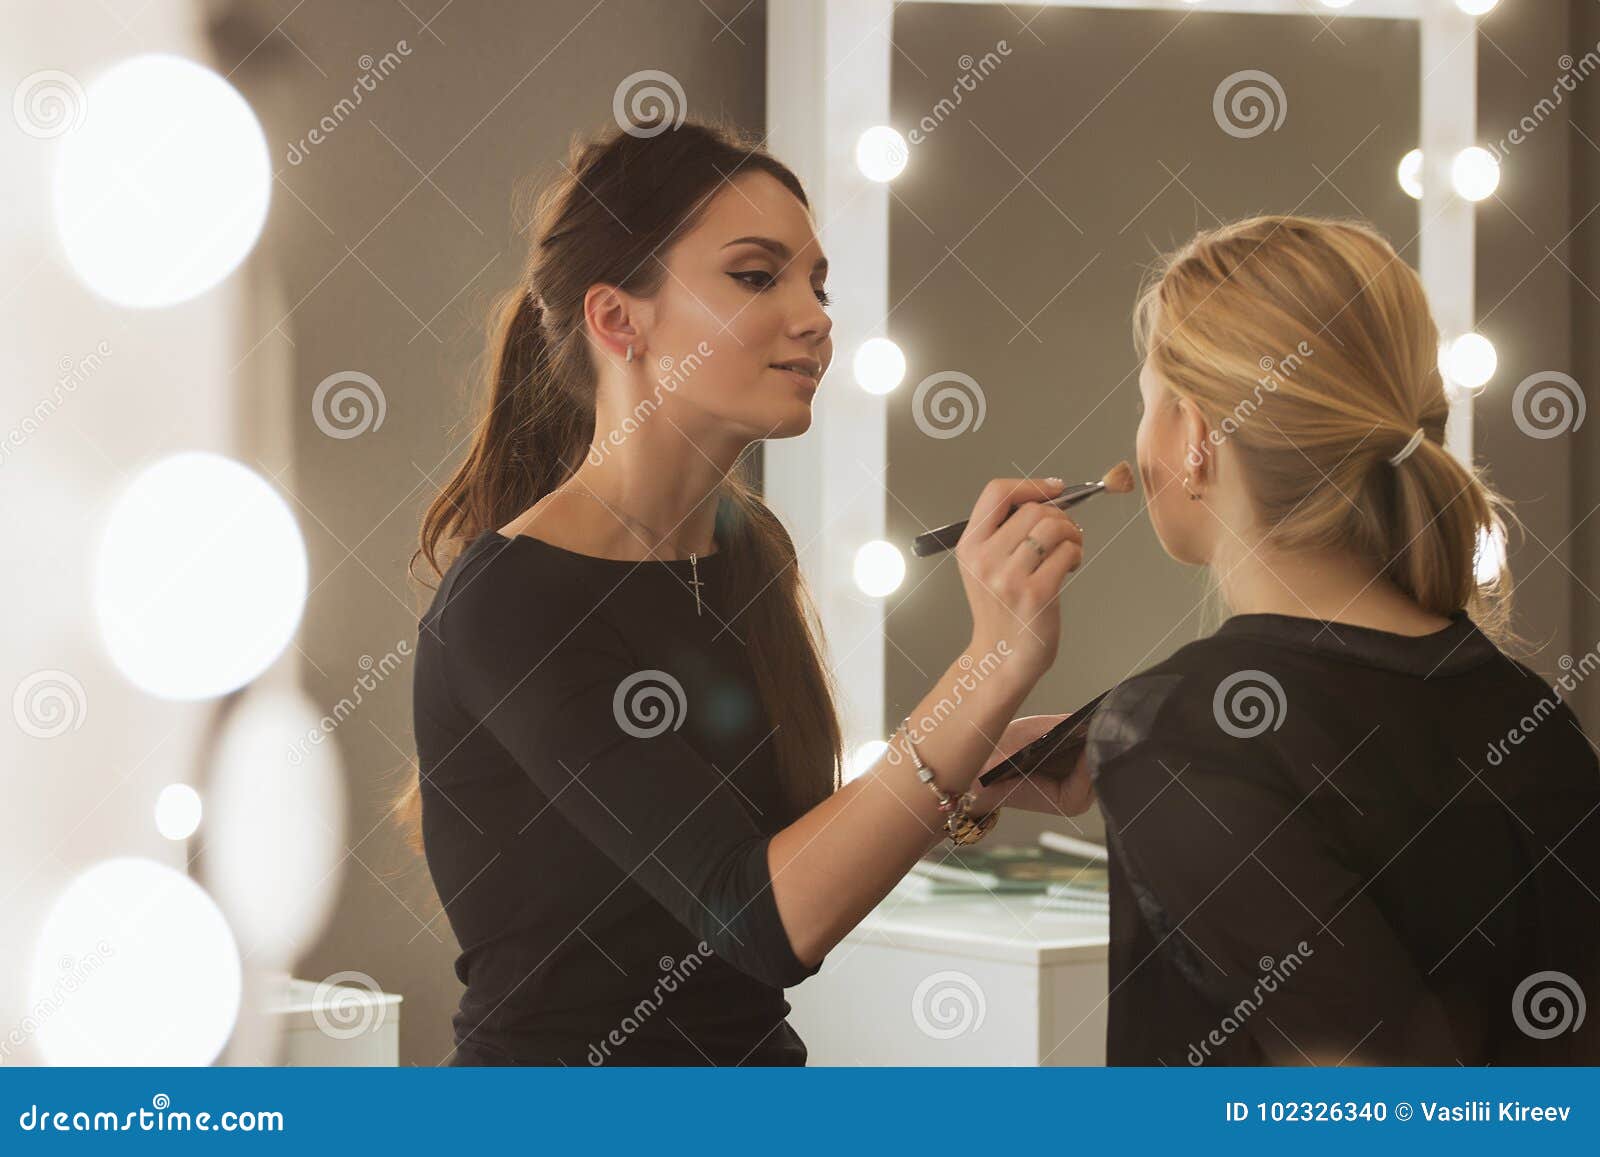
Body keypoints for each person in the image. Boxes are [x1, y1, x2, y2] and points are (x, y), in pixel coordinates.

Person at [397, 114, 1093, 1066]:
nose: (814, 317)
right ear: (618, 320)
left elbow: (766, 848)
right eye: (757, 276)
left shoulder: (746, 550)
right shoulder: (511, 603)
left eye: (818, 283)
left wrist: (981, 761)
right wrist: (989, 662)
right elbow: (761, 919)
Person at [1071, 215, 1600, 1065]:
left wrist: (1158, 752)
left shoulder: (1179, 735)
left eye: (1146, 406)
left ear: (1198, 439)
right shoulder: (1530, 713)